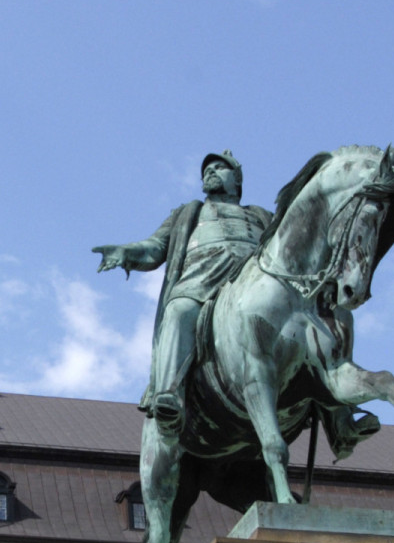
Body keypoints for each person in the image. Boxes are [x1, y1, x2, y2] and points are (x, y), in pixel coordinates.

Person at [92, 151, 271, 435]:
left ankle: (337, 414)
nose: (210, 171)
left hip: (254, 285)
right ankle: (168, 394)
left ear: (237, 179)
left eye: (220, 168)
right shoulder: (188, 213)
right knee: (179, 311)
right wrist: (125, 251)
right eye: (207, 170)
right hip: (201, 280)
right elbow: (154, 247)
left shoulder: (262, 216)